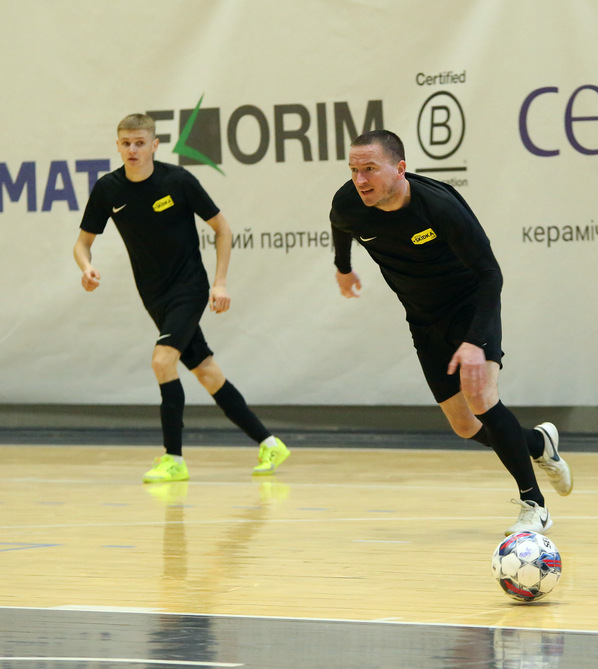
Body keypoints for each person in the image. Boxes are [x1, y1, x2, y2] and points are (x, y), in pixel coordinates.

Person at [329, 130, 572, 535]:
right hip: (423, 318)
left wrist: (474, 342)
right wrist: (342, 266)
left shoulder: (438, 206)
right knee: (464, 426)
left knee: (482, 398)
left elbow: (490, 274)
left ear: (400, 169)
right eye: (354, 170)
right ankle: (536, 444)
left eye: (369, 169)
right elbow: (340, 224)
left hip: (470, 306)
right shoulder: (349, 203)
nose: (360, 180)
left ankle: (535, 504)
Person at [73, 114, 290, 483]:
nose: (132, 149)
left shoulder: (178, 181)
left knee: (162, 361)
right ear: (118, 146)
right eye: (126, 143)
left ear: (154, 145)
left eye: (140, 143)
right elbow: (82, 243)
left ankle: (173, 458)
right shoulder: (109, 189)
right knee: (206, 371)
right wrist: (86, 267)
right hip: (153, 295)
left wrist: (219, 283)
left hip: (188, 288)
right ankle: (270, 443)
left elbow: (222, 229)